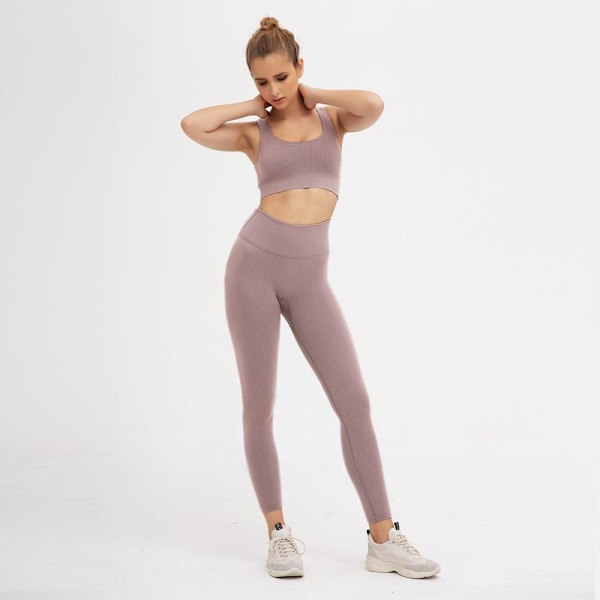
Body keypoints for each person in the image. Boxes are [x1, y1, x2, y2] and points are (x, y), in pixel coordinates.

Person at [180, 16, 441, 580]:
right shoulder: (255, 132)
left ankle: (383, 538)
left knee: (355, 402)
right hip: (252, 269)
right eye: (263, 82)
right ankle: (278, 533)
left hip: (310, 279)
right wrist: (250, 106)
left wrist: (310, 93)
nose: (274, 90)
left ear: (299, 67)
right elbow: (192, 125)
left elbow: (374, 104)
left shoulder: (333, 121)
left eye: (282, 77)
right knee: (260, 405)